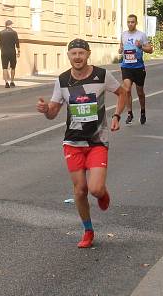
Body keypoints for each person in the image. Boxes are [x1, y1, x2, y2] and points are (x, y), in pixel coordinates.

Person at [36, 39, 128, 249]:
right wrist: (45, 110)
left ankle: (102, 194)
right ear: (68, 56)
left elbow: (122, 93)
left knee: (95, 189)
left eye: (81, 53)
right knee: (80, 191)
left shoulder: (102, 75)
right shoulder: (62, 80)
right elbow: (53, 112)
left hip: (97, 140)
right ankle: (88, 230)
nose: (77, 57)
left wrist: (116, 116)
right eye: (73, 53)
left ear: (88, 54)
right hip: (73, 142)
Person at [119, 14, 153, 125]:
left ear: (136, 23)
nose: (130, 24)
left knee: (140, 92)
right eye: (128, 22)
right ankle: (130, 113)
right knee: (127, 90)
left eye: (132, 22)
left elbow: (150, 50)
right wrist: (120, 50)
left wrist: (141, 47)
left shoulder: (141, 35)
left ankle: (142, 111)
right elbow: (121, 48)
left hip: (138, 67)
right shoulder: (123, 35)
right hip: (126, 66)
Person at [0, 19, 20, 88]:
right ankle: (12, 82)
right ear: (10, 25)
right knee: (13, 67)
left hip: (4, 52)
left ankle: (6, 83)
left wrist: (2, 49)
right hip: (12, 52)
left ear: (6, 25)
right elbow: (17, 43)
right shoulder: (14, 32)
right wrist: (18, 52)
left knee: (4, 68)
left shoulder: (1, 32)